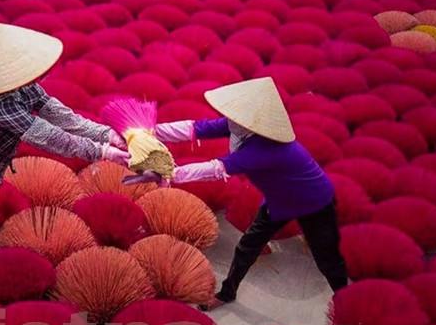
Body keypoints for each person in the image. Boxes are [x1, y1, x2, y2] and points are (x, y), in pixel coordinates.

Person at [126, 77, 347, 309]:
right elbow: (195, 128)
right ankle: (227, 293)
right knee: (247, 246)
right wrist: (149, 132)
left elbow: (215, 168)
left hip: (314, 201)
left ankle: (346, 305)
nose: (228, 118)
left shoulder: (266, 149)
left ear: (252, 122)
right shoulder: (239, 127)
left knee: (328, 260)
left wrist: (166, 173)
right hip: (279, 198)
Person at [0, 22, 130, 255]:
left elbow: (62, 117)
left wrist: (107, 134)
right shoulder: (0, 105)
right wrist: (102, 152)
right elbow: (50, 137)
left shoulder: (25, 89)